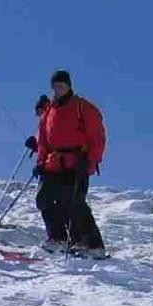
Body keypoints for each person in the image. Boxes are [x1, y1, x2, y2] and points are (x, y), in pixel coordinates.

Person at [31, 70, 108, 258]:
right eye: (55, 86)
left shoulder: (83, 107)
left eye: (62, 85)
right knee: (44, 199)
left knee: (73, 201)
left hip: (77, 161)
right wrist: (40, 161)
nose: (58, 89)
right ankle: (58, 239)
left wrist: (91, 160)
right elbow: (43, 140)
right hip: (52, 162)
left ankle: (91, 243)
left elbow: (97, 137)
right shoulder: (49, 111)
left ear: (69, 86)